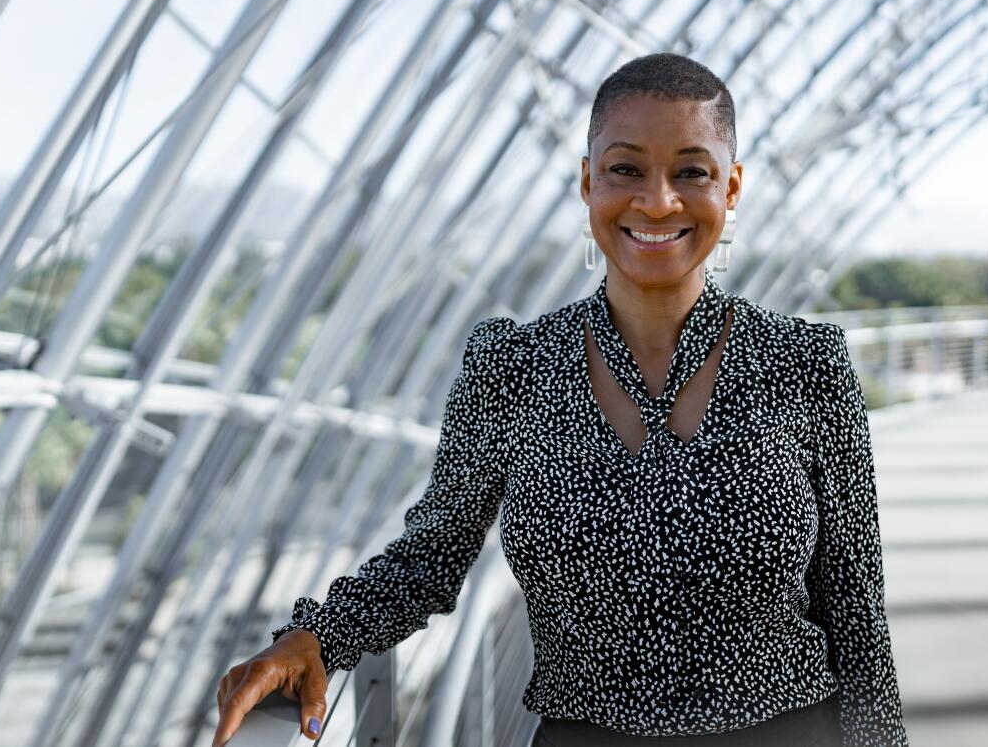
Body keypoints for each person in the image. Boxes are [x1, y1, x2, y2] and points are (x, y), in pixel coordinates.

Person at [212, 53, 909, 747]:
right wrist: (317, 637)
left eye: (691, 172)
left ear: (731, 189)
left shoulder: (805, 364)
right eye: (625, 169)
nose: (658, 200)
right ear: (587, 182)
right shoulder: (512, 368)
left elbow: (856, 614)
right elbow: (432, 555)